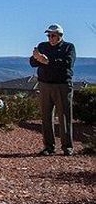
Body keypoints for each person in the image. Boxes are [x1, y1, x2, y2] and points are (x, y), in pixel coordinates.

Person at [30, 23, 76, 156]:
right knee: (46, 116)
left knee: (64, 116)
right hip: (45, 84)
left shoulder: (69, 47)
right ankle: (49, 147)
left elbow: (67, 63)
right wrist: (36, 58)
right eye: (49, 35)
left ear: (60, 36)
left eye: (53, 35)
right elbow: (33, 63)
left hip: (62, 85)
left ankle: (67, 147)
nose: (50, 37)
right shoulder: (42, 46)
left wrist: (48, 61)